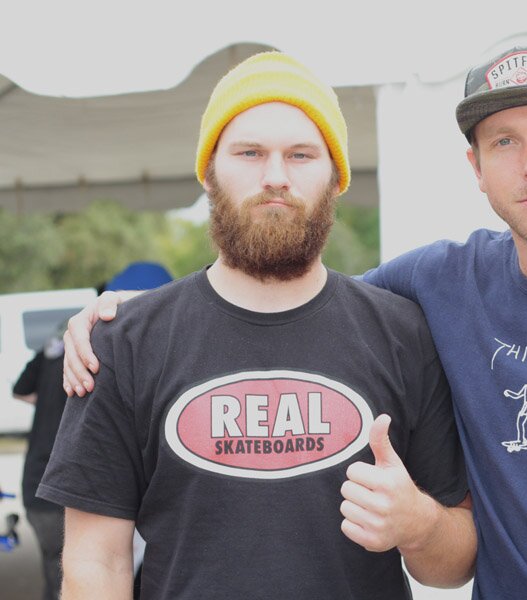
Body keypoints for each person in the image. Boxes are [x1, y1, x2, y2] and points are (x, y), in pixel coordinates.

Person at [61, 45, 527, 598]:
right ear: (475, 166)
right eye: (504, 142)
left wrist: (418, 522)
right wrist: (126, 315)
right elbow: (290, 297)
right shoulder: (442, 285)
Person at [41, 51, 474, 599]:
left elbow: (453, 564)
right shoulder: (123, 342)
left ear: (336, 177)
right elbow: (96, 562)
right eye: (249, 153)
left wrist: (420, 524)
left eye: (300, 155)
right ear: (209, 171)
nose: (275, 177)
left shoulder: (403, 333)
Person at [13, 321, 68, 599]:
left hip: (35, 485)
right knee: (70, 571)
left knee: (54, 566)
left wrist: (45, 400)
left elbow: (20, 389)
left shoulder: (47, 354)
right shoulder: (87, 357)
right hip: (66, 483)